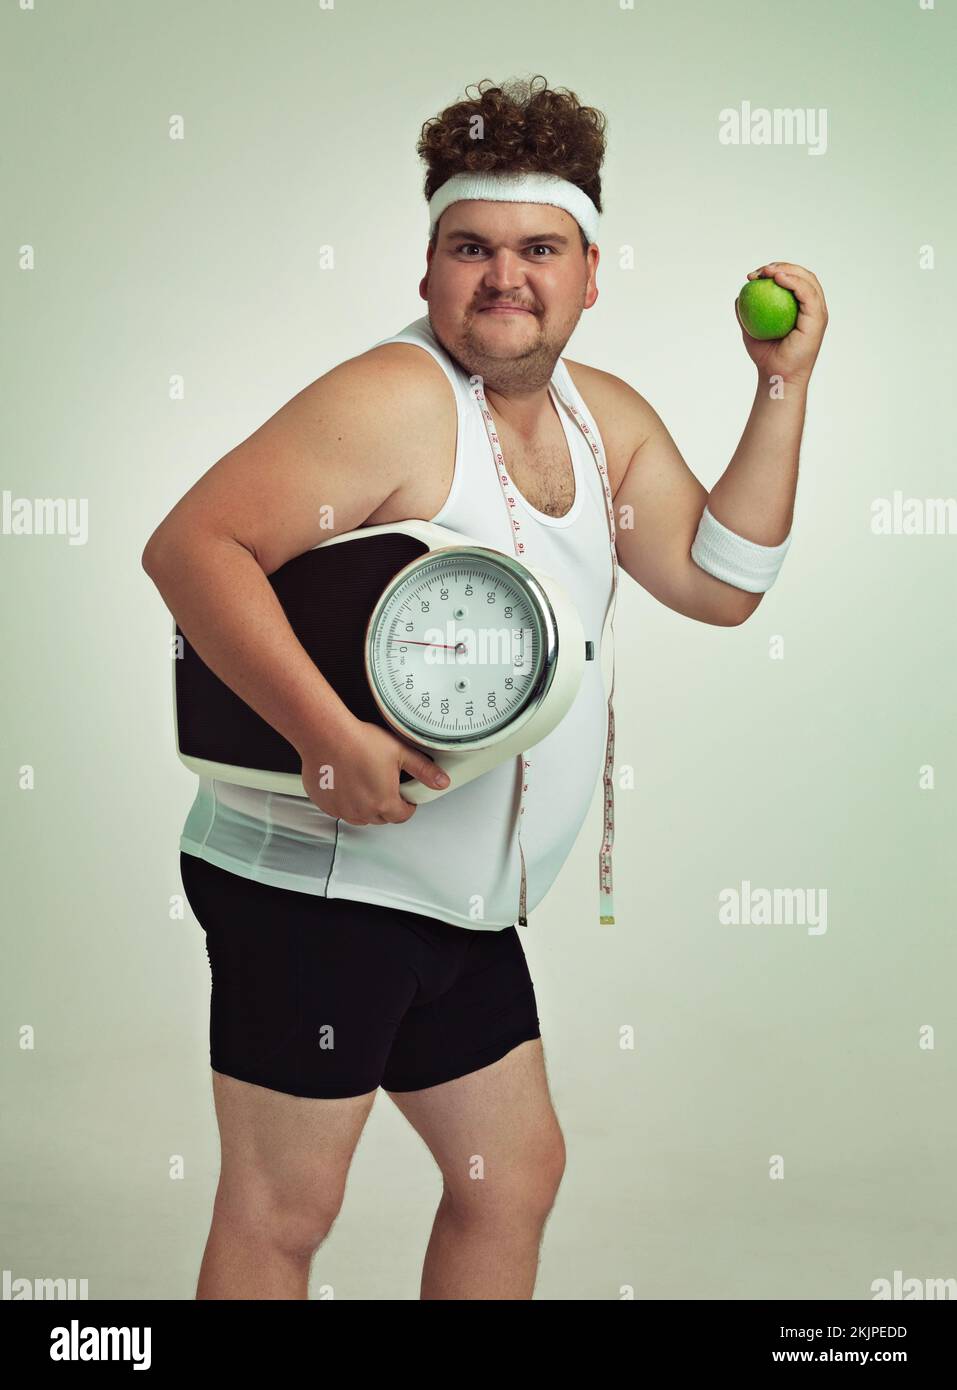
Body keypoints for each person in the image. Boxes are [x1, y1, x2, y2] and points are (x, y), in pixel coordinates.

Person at [142, 75, 828, 1301]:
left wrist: (782, 381)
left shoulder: (598, 417)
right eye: (473, 246)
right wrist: (325, 734)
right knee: (285, 1209)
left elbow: (722, 581)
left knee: (510, 1175)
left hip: (458, 900)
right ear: (428, 268)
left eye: (538, 248)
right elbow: (191, 548)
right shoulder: (395, 400)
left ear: (588, 274)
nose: (505, 275)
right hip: (319, 886)